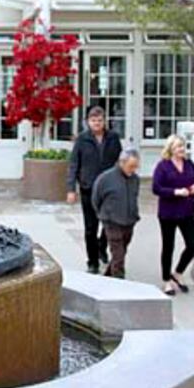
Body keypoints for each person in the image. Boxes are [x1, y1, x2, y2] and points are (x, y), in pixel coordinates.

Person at [67, 107, 123, 274]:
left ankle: (102, 246)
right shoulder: (82, 140)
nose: (97, 124)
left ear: (104, 121)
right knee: (91, 228)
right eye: (93, 121)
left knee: (109, 223)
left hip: (109, 189)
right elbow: (74, 165)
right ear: (88, 122)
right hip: (88, 188)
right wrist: (71, 189)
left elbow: (120, 161)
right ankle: (92, 262)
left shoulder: (113, 138)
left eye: (99, 120)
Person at [152, 135, 194, 296]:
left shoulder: (189, 164)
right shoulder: (163, 166)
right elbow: (156, 188)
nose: (181, 149)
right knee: (168, 246)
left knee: (193, 244)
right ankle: (166, 280)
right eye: (178, 147)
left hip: (187, 211)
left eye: (182, 146)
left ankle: (178, 273)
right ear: (170, 150)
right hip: (168, 212)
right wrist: (175, 192)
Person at [91, 148, 141, 279]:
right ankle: (119, 282)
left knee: (121, 252)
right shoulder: (105, 178)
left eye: (136, 166)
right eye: (131, 166)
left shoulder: (135, 179)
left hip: (129, 221)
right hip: (112, 220)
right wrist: (103, 215)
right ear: (122, 163)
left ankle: (108, 277)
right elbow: (96, 199)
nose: (134, 169)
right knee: (118, 256)